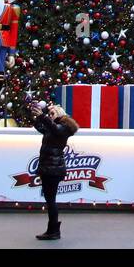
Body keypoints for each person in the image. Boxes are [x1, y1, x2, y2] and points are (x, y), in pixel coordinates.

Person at [32, 102, 79, 242]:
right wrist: (37, 117)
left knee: (51, 200)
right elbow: (41, 127)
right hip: (50, 168)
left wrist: (43, 117)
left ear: (59, 114)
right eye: (49, 114)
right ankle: (52, 230)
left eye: (53, 114)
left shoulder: (63, 128)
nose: (50, 116)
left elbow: (54, 129)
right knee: (50, 199)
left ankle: (53, 231)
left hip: (53, 169)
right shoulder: (53, 128)